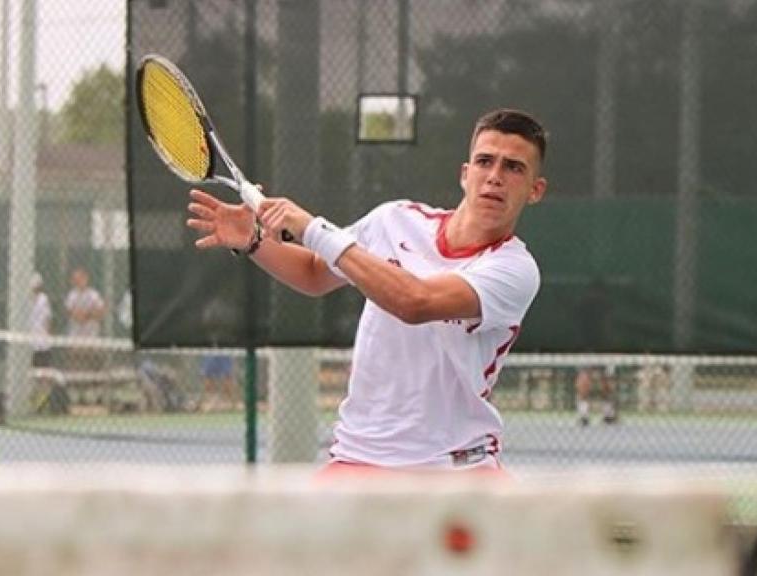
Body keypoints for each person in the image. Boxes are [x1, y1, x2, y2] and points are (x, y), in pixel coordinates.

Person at [187, 109, 548, 472]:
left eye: (513, 167)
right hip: (359, 455)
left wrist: (313, 229)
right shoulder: (393, 220)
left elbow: (415, 302)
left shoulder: (514, 269)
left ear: (535, 190)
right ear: (465, 174)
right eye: (485, 161)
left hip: (458, 464)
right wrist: (253, 241)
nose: (495, 177)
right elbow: (314, 273)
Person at [64, 267, 106, 370]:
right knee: (75, 358)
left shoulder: (93, 294)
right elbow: (74, 315)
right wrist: (90, 314)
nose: (78, 282)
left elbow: (101, 311)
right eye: (75, 279)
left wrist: (86, 314)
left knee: (93, 358)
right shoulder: (72, 295)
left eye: (80, 278)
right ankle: (76, 380)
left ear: (86, 279)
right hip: (76, 335)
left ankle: (94, 381)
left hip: (91, 334)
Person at [29, 272, 53, 367]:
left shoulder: (43, 299)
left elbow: (47, 319)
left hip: (41, 341)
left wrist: (47, 335)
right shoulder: (29, 300)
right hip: (33, 339)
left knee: (43, 366)